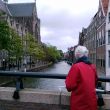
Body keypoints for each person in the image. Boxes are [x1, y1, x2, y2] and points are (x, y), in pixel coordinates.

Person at [65, 45, 97, 110]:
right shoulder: (92, 66)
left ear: (77, 55)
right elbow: (95, 82)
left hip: (79, 104)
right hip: (92, 104)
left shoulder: (76, 67)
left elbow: (69, 86)